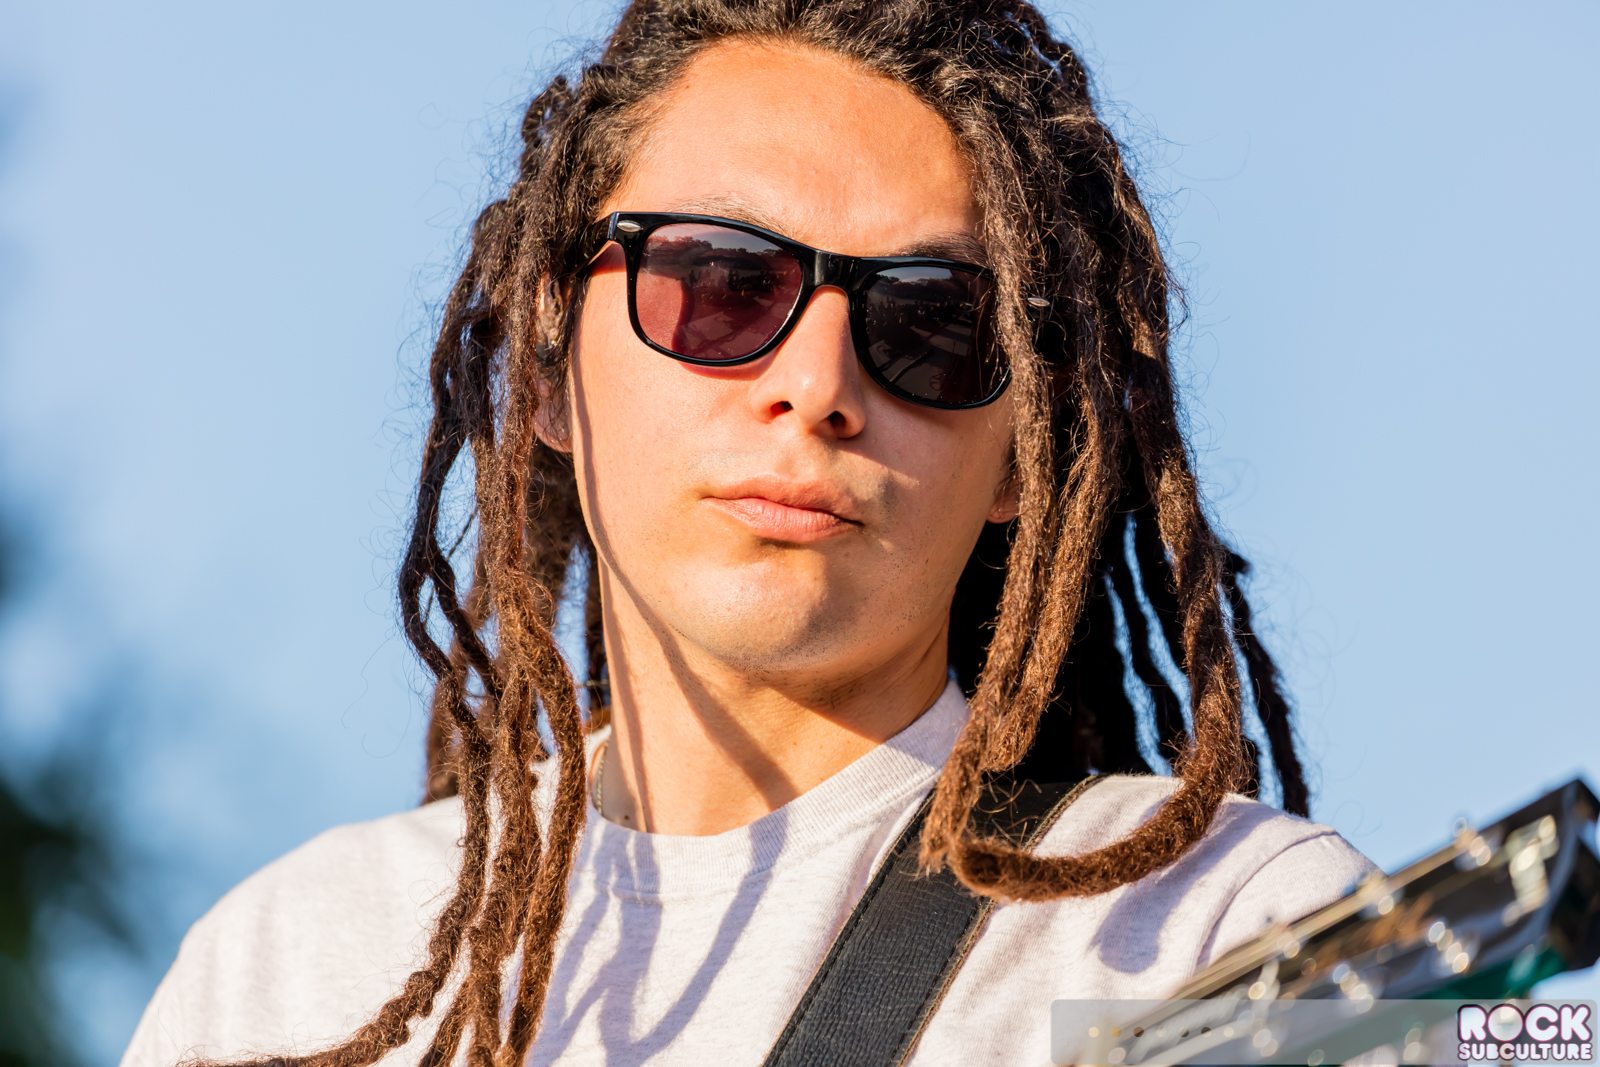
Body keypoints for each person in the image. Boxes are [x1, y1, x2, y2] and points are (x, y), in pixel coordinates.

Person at [121, 1, 1374, 1064]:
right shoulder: (291, 965)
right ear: (547, 366)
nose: (818, 384)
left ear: (1023, 449)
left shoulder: (1226, 926)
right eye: (722, 280)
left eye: (935, 323)